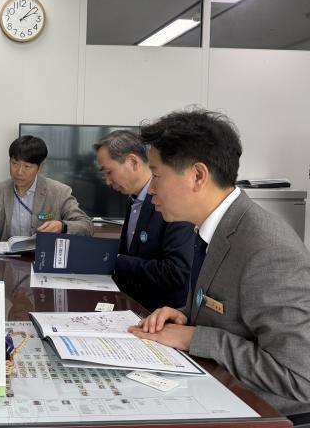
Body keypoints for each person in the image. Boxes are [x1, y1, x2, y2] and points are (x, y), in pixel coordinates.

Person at [129, 109, 310, 416]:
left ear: (198, 176)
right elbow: (233, 314)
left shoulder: (268, 250)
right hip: (214, 390)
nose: (151, 190)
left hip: (258, 412)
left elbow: (300, 378)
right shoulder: (215, 228)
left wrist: (196, 337)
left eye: (156, 176)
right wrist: (185, 316)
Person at [95, 130, 194, 311]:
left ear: (133, 162)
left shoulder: (172, 201)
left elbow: (176, 272)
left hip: (159, 313)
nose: (108, 181)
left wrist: (116, 261)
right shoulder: (133, 198)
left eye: (109, 172)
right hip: (130, 306)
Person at [0, 135, 93, 242]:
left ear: (40, 167)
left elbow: (86, 226)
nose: (19, 172)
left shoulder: (59, 192)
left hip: (44, 257)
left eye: (27, 166)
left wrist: (62, 227)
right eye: (14, 163)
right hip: (8, 259)